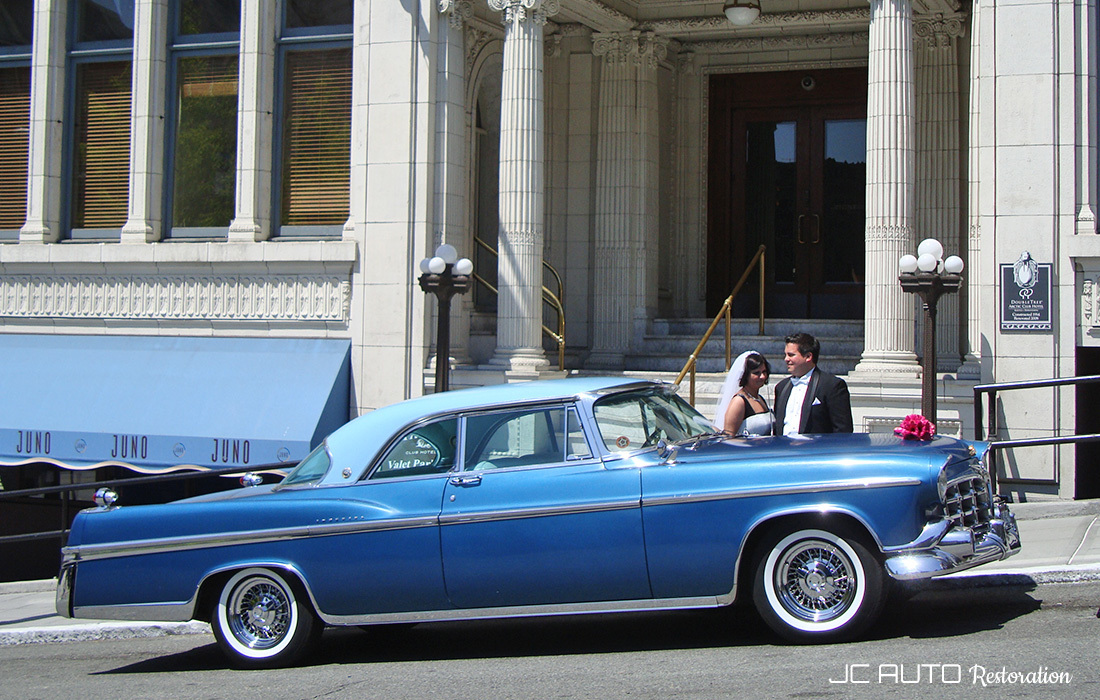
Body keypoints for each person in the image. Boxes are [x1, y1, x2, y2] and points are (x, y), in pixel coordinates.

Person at [773, 332, 853, 435]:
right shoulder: (781, 387)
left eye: (791, 355)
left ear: (808, 356)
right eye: (785, 355)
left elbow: (843, 431)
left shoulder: (831, 386)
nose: (786, 359)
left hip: (816, 450)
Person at [713, 350, 775, 436]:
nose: (763, 376)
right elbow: (729, 437)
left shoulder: (760, 398)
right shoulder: (739, 402)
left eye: (764, 372)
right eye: (756, 373)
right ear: (745, 375)